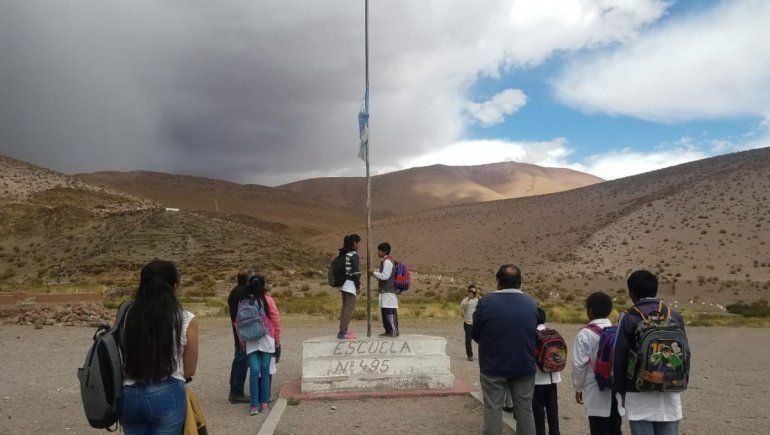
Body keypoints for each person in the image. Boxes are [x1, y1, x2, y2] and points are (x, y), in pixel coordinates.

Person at [120, 260, 199, 435]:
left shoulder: (127, 316)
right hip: (166, 392)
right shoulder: (185, 319)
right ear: (175, 286)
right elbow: (189, 370)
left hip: (128, 395)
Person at [613, 270, 687, 435]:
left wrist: (620, 390)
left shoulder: (629, 317)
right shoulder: (674, 316)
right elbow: (685, 354)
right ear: (655, 289)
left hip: (638, 394)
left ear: (631, 292)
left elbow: (619, 357)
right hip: (670, 391)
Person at [472, 264, 538, 435]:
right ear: (520, 282)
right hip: (524, 365)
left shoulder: (485, 302)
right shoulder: (531, 303)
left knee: (493, 409)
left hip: (493, 366)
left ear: (498, 281)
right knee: (525, 410)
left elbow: (475, 333)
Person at [573, 292, 622, 435]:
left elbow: (579, 365)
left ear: (590, 311)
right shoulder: (618, 331)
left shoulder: (584, 334)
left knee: (598, 429)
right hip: (617, 390)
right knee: (615, 428)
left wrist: (578, 387)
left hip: (596, 391)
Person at [243, 274, 281, 415]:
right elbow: (276, 320)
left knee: (254, 371)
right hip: (267, 341)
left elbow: (238, 324)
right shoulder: (268, 300)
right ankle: (264, 403)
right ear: (263, 285)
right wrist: (277, 339)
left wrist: (242, 342)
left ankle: (254, 405)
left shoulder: (244, 302)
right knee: (265, 371)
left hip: (251, 342)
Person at [533, 307, 562, 435]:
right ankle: (555, 431)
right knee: (552, 408)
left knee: (538, 409)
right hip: (553, 376)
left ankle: (540, 432)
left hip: (537, 379)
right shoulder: (552, 332)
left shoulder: (533, 334)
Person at [227, 270, 251, 404]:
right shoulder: (244, 293)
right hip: (243, 329)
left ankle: (234, 389)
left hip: (236, 328)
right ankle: (237, 392)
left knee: (238, 358)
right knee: (242, 359)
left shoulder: (234, 291)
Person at [371, 242, 399, 337]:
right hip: (385, 291)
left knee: (389, 311)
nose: (378, 252)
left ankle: (393, 330)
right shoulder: (386, 261)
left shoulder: (387, 262)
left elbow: (385, 276)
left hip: (388, 291)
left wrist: (374, 273)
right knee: (385, 311)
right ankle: (388, 330)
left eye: (379, 250)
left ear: (384, 251)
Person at [337, 234, 361, 340]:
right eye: (358, 243)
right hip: (350, 285)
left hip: (344, 284)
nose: (359, 245)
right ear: (355, 243)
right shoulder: (354, 255)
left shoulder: (345, 254)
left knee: (344, 309)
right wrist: (358, 286)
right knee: (348, 309)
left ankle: (343, 330)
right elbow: (356, 272)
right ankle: (342, 332)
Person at [460, 285, 479, 361]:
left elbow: (482, 307)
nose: (471, 293)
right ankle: (470, 355)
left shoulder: (477, 300)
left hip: (476, 323)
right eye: (470, 292)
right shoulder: (465, 300)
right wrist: (468, 301)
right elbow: (462, 307)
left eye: (473, 292)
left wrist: (480, 298)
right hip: (467, 323)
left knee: (480, 339)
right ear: (468, 292)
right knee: (468, 340)